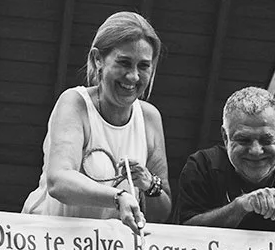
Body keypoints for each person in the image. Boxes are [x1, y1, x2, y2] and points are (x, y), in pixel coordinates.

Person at [23, 11, 172, 221]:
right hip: (48, 238)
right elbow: (59, 181)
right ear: (98, 59)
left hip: (108, 242)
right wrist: (118, 197)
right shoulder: (75, 103)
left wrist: (149, 185)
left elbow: (162, 212)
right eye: (124, 62)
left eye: (143, 66)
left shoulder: (150, 117)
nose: (133, 76)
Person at [174, 88, 275, 234]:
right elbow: (182, 232)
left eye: (266, 140)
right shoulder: (202, 166)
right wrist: (239, 206)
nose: (256, 151)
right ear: (225, 137)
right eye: (244, 140)